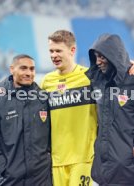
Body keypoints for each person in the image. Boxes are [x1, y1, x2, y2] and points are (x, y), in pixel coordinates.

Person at [85, 34, 134, 186]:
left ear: (114, 55)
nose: (98, 61)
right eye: (96, 57)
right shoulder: (97, 81)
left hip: (129, 170)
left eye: (102, 56)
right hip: (102, 171)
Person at [0, 54, 52, 186]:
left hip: (41, 179)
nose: (28, 73)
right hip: (9, 180)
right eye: (23, 68)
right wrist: (4, 168)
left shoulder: (43, 99)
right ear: (12, 69)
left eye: (32, 69)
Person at [41, 30, 98, 186]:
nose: (54, 55)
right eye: (51, 51)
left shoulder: (89, 77)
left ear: (72, 50)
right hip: (57, 159)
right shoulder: (46, 82)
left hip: (84, 158)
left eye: (58, 51)